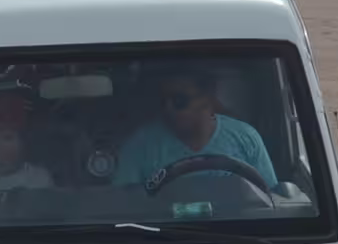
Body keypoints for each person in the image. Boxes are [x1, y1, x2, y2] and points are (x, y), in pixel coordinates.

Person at [112, 74, 277, 191]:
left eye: (179, 101)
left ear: (207, 98)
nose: (168, 109)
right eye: (163, 102)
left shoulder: (246, 138)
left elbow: (271, 198)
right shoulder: (140, 145)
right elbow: (123, 205)